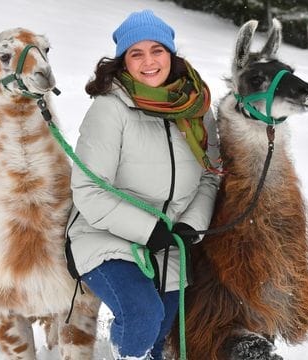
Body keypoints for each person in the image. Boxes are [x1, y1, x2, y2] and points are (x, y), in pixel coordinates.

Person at [65, 9, 221, 360]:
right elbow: (90, 189)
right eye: (136, 53)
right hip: (105, 236)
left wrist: (190, 225)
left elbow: (211, 174)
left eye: (157, 50)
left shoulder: (196, 109)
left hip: (170, 242)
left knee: (160, 330)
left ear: (171, 55)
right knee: (141, 317)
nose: (148, 61)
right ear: (123, 61)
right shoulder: (110, 109)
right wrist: (148, 230)